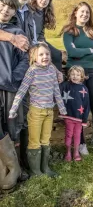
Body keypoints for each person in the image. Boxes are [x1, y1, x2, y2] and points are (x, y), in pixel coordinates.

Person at [9, 42, 67, 177]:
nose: (45, 56)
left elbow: (56, 91)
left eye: (47, 54)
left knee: (45, 140)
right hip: (36, 112)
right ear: (34, 57)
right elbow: (22, 91)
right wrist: (14, 108)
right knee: (34, 141)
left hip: (49, 112)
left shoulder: (52, 70)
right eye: (41, 54)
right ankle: (36, 172)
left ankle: (45, 168)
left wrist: (62, 108)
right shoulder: (32, 71)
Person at [61, 1, 93, 160]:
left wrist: (79, 53)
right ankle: (81, 143)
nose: (84, 15)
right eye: (81, 12)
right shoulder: (69, 31)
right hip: (74, 72)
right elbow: (70, 51)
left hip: (90, 70)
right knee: (77, 109)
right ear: (75, 13)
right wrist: (88, 50)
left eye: (87, 12)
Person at [0, 0, 29, 191]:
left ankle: (15, 170)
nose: (5, 10)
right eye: (2, 5)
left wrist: (14, 78)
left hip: (10, 86)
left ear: (15, 11)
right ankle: (6, 170)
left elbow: (25, 60)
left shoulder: (18, 32)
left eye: (10, 7)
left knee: (12, 127)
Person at [59, 66, 90, 162]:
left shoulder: (84, 88)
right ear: (69, 75)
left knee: (77, 135)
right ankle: (68, 152)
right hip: (68, 115)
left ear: (82, 76)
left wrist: (84, 119)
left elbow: (86, 104)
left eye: (78, 74)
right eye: (73, 74)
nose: (75, 76)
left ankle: (76, 152)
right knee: (69, 134)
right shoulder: (65, 85)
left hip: (79, 118)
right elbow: (57, 93)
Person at [29, 0, 62, 71]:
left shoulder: (44, 14)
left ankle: (56, 78)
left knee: (57, 54)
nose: (44, 0)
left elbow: (41, 33)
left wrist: (43, 43)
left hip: (39, 41)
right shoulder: (29, 11)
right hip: (29, 40)